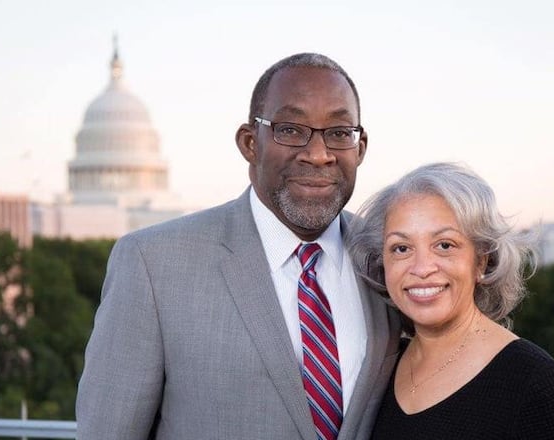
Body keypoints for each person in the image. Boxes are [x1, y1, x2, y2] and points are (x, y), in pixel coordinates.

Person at [75, 53, 401, 440]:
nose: (318, 154)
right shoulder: (152, 265)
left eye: (339, 132)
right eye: (291, 129)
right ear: (250, 143)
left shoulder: (387, 260)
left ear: (360, 148)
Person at [349, 162, 554, 439]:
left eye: (444, 245)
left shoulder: (535, 387)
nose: (421, 268)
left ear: (481, 261)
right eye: (401, 248)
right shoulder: (379, 368)